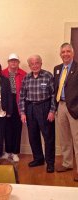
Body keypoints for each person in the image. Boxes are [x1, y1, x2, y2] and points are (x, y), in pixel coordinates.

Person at [19, 55, 55, 173]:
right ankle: (38, 158)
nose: (35, 65)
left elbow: (54, 95)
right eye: (32, 64)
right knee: (33, 136)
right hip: (30, 108)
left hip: (44, 107)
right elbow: (22, 96)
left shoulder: (48, 76)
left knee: (48, 137)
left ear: (41, 63)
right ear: (29, 66)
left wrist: (52, 111)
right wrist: (23, 112)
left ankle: (50, 163)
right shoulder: (26, 78)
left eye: (37, 63)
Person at [54, 43, 78, 182]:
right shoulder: (57, 69)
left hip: (74, 107)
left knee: (77, 139)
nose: (65, 54)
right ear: (60, 54)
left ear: (73, 53)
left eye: (68, 51)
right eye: (63, 52)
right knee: (64, 138)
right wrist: (56, 106)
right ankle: (67, 163)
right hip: (61, 106)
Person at [2, 53, 26, 162]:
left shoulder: (24, 74)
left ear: (18, 63)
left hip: (18, 104)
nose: (13, 63)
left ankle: (15, 152)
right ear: (8, 62)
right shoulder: (2, 73)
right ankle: (7, 151)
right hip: (6, 104)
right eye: (11, 61)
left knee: (17, 129)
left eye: (15, 61)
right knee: (7, 129)